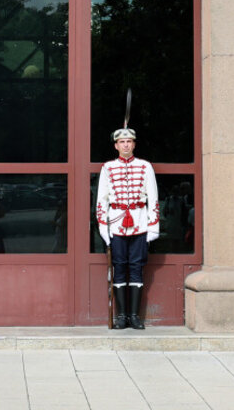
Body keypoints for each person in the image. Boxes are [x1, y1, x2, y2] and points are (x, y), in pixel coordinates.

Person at [96, 127, 159, 329]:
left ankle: (134, 316)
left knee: (136, 268)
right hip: (116, 224)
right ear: (116, 145)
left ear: (134, 144)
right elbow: (101, 201)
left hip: (139, 223)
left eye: (129, 141)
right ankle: (121, 316)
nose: (126, 145)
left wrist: (153, 227)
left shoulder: (145, 166)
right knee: (119, 267)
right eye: (122, 142)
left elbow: (153, 198)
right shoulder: (107, 168)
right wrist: (103, 228)